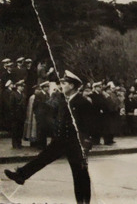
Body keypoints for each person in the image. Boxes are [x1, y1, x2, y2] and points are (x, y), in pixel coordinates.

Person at [4, 70, 93, 204]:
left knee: (80, 175)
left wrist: (86, 143)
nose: (62, 85)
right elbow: (50, 112)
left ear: (73, 86)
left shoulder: (83, 102)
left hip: (76, 144)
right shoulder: (63, 100)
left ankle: (83, 202)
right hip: (61, 140)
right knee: (42, 158)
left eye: (65, 83)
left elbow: (89, 125)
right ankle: (21, 175)